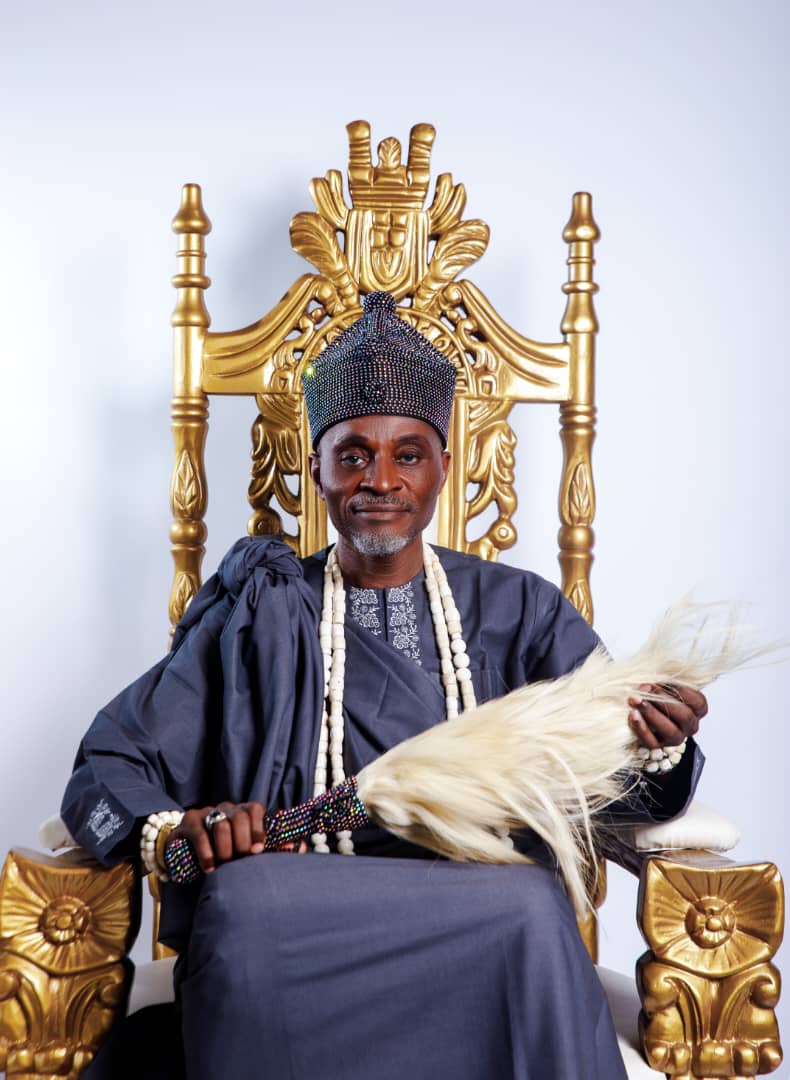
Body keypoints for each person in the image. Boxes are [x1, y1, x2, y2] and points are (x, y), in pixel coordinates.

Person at [62, 292, 706, 1080]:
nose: (380, 480)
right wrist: (176, 829)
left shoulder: (522, 610)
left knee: (532, 906)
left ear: (443, 468)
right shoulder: (258, 612)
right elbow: (106, 766)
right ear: (317, 470)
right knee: (245, 905)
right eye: (353, 455)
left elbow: (613, 786)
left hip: (485, 914)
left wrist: (659, 746)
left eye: (408, 455)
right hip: (290, 914)